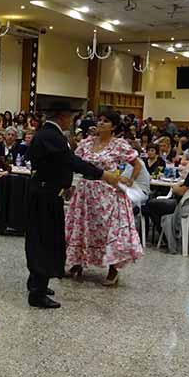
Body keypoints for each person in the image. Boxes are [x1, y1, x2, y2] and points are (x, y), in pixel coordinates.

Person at [24, 100, 119, 309]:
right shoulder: (50, 135)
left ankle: (39, 283)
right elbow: (71, 162)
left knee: (46, 240)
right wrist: (103, 174)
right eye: (71, 116)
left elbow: (59, 163)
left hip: (49, 192)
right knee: (43, 242)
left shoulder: (52, 135)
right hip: (44, 195)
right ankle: (37, 292)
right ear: (62, 116)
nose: (72, 120)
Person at [65, 111, 144, 286]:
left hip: (107, 194)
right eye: (99, 120)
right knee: (82, 227)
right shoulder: (86, 143)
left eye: (105, 121)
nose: (100, 124)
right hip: (85, 191)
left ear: (114, 126)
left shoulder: (119, 145)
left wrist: (129, 180)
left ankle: (113, 268)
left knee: (108, 230)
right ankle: (77, 263)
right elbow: (74, 162)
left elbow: (137, 164)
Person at [144, 143, 189, 235]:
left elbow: (181, 192)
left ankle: (166, 236)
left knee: (151, 204)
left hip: (188, 207)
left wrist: (174, 187)